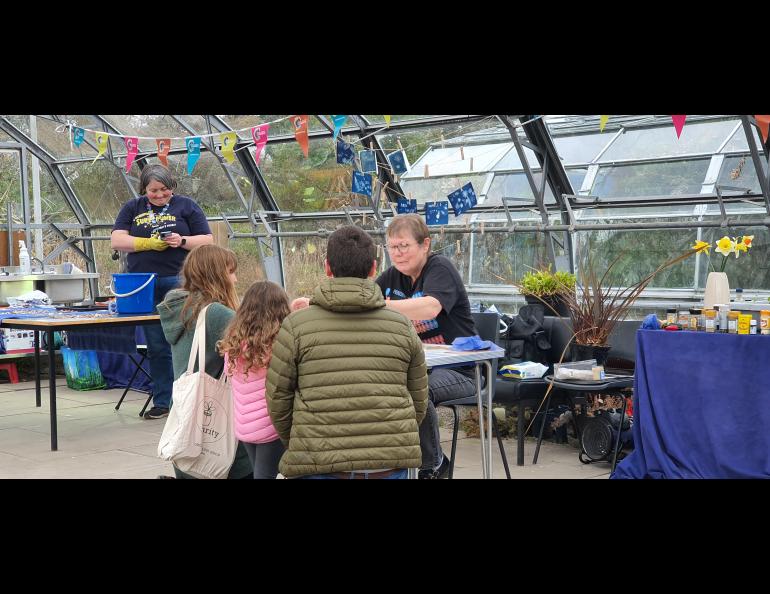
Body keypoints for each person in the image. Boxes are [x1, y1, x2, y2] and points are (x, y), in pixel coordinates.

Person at [265, 225, 428, 479]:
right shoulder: (402, 325)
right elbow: (418, 397)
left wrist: (302, 440)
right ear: (374, 269)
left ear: (327, 267)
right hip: (387, 465)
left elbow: (277, 397)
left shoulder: (296, 325)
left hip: (318, 461)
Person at [375, 214, 478, 479]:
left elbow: (430, 307)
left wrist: (381, 306)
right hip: (421, 368)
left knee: (416, 390)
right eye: (392, 247)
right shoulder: (391, 278)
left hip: (462, 371)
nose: (397, 253)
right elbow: (363, 296)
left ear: (425, 245)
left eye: (404, 246)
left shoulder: (440, 268)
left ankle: (433, 465)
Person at [111, 164, 214, 420]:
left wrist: (181, 241)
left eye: (165, 190)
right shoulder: (132, 208)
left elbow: (207, 240)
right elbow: (117, 240)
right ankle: (163, 401)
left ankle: (191, 401)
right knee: (157, 345)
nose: (159, 195)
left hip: (179, 281)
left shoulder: (186, 206)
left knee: (187, 342)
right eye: (153, 190)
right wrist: (146, 243)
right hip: (143, 284)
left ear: (172, 187)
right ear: (143, 189)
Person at [157, 244, 252, 479]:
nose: (236, 279)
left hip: (186, 419)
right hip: (218, 424)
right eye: (231, 272)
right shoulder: (217, 314)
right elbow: (258, 347)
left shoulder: (178, 305)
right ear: (217, 275)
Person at [217, 281, 290, 479]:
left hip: (245, 426)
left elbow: (229, 374)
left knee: (259, 472)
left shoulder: (233, 344)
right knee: (265, 475)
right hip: (270, 427)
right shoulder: (278, 346)